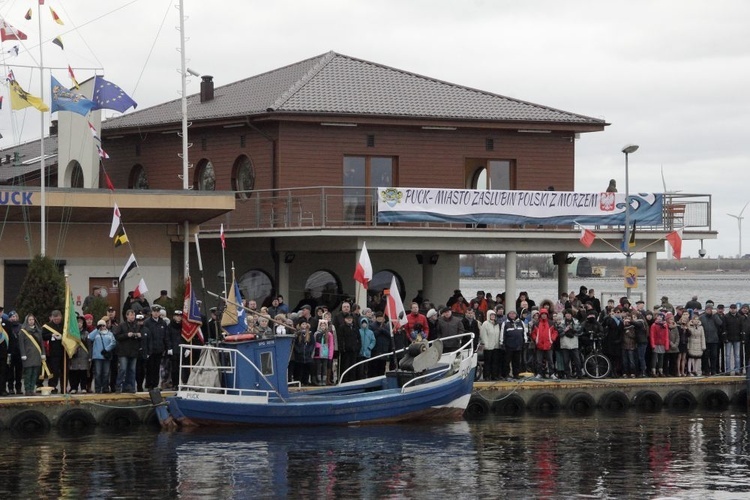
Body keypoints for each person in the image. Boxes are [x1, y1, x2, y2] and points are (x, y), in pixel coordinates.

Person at [115, 310, 143, 393]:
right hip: (123, 351)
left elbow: (141, 338)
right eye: (131, 315)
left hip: (133, 351)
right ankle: (118, 385)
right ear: (127, 316)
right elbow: (117, 336)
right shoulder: (121, 325)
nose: (132, 317)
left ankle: (130, 386)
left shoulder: (137, 325)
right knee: (123, 369)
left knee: (132, 370)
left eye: (133, 315)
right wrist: (127, 335)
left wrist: (139, 336)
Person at [17, 314, 45, 396]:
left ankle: (32, 390)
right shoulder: (23, 331)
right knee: (28, 374)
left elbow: (41, 344)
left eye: (33, 319)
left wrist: (43, 353)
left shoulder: (38, 331)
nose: (31, 321)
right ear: (27, 321)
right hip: (27, 355)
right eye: (30, 319)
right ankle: (27, 390)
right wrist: (23, 354)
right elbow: (21, 344)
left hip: (37, 355)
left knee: (35, 373)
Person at [143, 305, 169, 391]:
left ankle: (155, 384)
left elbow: (165, 336)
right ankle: (149, 384)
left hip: (159, 348)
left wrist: (166, 348)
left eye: (157, 312)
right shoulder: (147, 322)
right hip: (150, 349)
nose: (156, 313)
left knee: (157, 367)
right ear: (152, 312)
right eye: (154, 311)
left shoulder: (163, 323)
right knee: (150, 367)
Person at [89, 319, 116, 393]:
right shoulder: (96, 333)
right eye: (100, 326)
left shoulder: (110, 333)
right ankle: (97, 388)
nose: (102, 327)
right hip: (97, 357)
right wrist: (96, 329)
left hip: (106, 356)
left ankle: (105, 388)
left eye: (103, 325)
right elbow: (90, 337)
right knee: (98, 373)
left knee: (106, 373)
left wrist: (107, 349)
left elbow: (113, 343)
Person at [41, 310, 65, 393]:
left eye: (58, 319)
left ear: (61, 317)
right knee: (54, 371)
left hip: (64, 351)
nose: (56, 321)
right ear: (52, 318)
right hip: (53, 352)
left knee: (63, 370)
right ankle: (52, 387)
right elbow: (43, 336)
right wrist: (51, 335)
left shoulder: (64, 325)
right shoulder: (47, 326)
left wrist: (63, 337)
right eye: (55, 319)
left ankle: (63, 387)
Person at [500, 309, 527, 379]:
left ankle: (516, 374)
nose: (512, 315)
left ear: (516, 315)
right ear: (508, 315)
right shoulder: (505, 323)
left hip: (518, 346)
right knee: (507, 361)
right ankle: (506, 374)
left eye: (513, 314)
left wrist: (525, 342)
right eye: (510, 314)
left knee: (517, 361)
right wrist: (502, 343)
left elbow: (524, 333)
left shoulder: (521, 322)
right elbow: (502, 334)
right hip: (509, 346)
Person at [531, 309, 558, 379]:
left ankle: (551, 374)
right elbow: (533, 333)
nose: (543, 315)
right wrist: (536, 339)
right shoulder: (536, 323)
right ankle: (539, 373)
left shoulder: (551, 323)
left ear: (547, 315)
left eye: (545, 314)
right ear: (540, 315)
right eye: (542, 314)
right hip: (539, 345)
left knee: (550, 361)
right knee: (539, 361)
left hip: (549, 345)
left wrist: (552, 339)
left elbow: (555, 332)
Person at [68, 315, 91, 394]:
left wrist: (90, 356)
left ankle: (83, 388)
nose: (79, 324)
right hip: (74, 355)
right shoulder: (72, 334)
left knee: (83, 373)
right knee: (74, 372)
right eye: (78, 322)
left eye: (81, 322)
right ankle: (74, 387)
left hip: (84, 355)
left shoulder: (86, 333)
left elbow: (89, 346)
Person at [699, 303, 723, 375]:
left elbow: (720, 323)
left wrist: (715, 315)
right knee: (705, 357)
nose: (709, 310)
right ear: (705, 310)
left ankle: (713, 370)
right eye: (708, 309)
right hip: (705, 340)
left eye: (710, 309)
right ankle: (706, 370)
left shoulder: (715, 316)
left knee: (714, 356)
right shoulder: (702, 317)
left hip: (714, 340)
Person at [337, 313, 361, 383]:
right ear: (345, 319)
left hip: (354, 350)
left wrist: (358, 348)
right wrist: (342, 348)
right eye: (348, 318)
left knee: (353, 367)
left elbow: (359, 339)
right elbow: (340, 339)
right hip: (346, 351)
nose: (349, 320)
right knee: (345, 366)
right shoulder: (342, 327)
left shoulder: (355, 328)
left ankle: (352, 380)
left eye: (350, 318)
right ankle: (344, 380)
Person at [559, 309, 582, 379]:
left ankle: (579, 374)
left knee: (577, 360)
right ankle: (568, 375)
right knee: (566, 361)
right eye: (566, 314)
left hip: (574, 344)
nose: (568, 315)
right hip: (565, 344)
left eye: (569, 313)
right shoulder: (561, 322)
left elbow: (580, 331)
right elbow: (559, 333)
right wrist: (565, 330)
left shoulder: (576, 322)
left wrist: (573, 328)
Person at [480, 310, 501, 381]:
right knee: (487, 362)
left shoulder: (497, 324)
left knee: (495, 362)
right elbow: (483, 335)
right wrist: (486, 345)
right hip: (488, 347)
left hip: (496, 346)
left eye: (494, 315)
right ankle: (486, 376)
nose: (493, 316)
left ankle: (494, 375)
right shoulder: (485, 324)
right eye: (491, 315)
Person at [722, 303, 743, 375]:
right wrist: (725, 338)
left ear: (736, 309)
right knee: (727, 355)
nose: (733, 309)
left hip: (737, 339)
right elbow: (724, 328)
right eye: (731, 308)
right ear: (729, 309)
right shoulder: (726, 317)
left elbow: (741, 328)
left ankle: (737, 370)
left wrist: (741, 338)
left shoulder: (739, 317)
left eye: (734, 308)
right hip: (728, 339)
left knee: (737, 356)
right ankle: (728, 370)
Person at [293, 320, 315, 385]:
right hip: (299, 355)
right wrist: (298, 350)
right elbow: (295, 344)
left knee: (306, 369)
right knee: (299, 369)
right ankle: (298, 381)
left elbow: (312, 343)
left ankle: (305, 381)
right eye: (302, 324)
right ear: (300, 325)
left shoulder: (310, 333)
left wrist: (309, 350)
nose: (304, 326)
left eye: (305, 324)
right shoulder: (297, 334)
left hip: (307, 355)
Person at [313, 319, 334, 386]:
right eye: (321, 325)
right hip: (318, 353)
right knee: (318, 367)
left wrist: (330, 355)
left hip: (325, 353)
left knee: (324, 367)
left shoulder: (329, 334)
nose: (323, 327)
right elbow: (313, 344)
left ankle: (324, 380)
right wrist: (313, 354)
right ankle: (319, 380)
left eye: (324, 325)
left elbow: (331, 345)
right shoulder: (316, 334)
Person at [650, 312, 669, 377]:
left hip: (662, 344)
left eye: (661, 317)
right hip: (656, 343)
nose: (659, 318)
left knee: (661, 358)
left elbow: (666, 336)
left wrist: (666, 345)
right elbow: (652, 336)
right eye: (658, 316)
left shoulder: (665, 325)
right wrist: (653, 344)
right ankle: (653, 371)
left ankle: (660, 371)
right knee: (654, 358)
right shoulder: (654, 325)